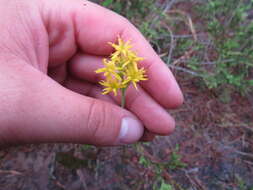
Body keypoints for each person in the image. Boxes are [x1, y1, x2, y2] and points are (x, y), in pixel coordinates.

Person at [0, 0, 183, 148]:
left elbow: (130, 75)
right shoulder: (117, 68)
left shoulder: (126, 70)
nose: (120, 48)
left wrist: (128, 77)